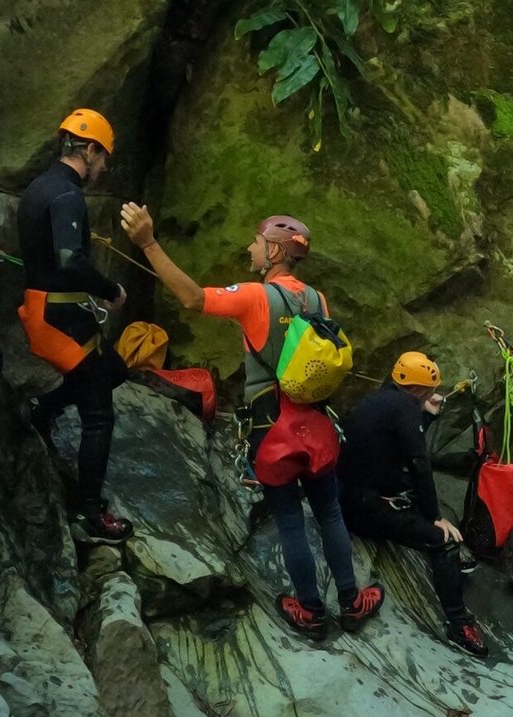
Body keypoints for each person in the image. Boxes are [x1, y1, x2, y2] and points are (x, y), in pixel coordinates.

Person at [119, 201, 383, 642]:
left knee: (290, 520)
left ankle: (311, 611)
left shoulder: (255, 296)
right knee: (329, 513)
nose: (250, 248)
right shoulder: (318, 299)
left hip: (272, 430)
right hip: (315, 425)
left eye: (257, 243)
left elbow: (192, 298)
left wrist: (148, 243)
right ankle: (352, 602)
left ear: (275, 251)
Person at [18, 109, 134, 544]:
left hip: (47, 309)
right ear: (88, 150)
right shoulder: (66, 196)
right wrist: (110, 289)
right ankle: (89, 514)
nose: (102, 169)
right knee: (99, 415)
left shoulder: (40, 186)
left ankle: (41, 409)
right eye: (103, 159)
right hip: (60, 316)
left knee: (114, 370)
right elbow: (70, 260)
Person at [339, 353, 489, 659]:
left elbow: (397, 440)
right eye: (429, 391)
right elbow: (419, 462)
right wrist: (435, 517)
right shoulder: (405, 407)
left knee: (416, 494)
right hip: (365, 508)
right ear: (419, 390)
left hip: (356, 492)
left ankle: (449, 558)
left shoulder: (381, 398)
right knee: (444, 541)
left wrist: (427, 415)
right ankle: (459, 624)